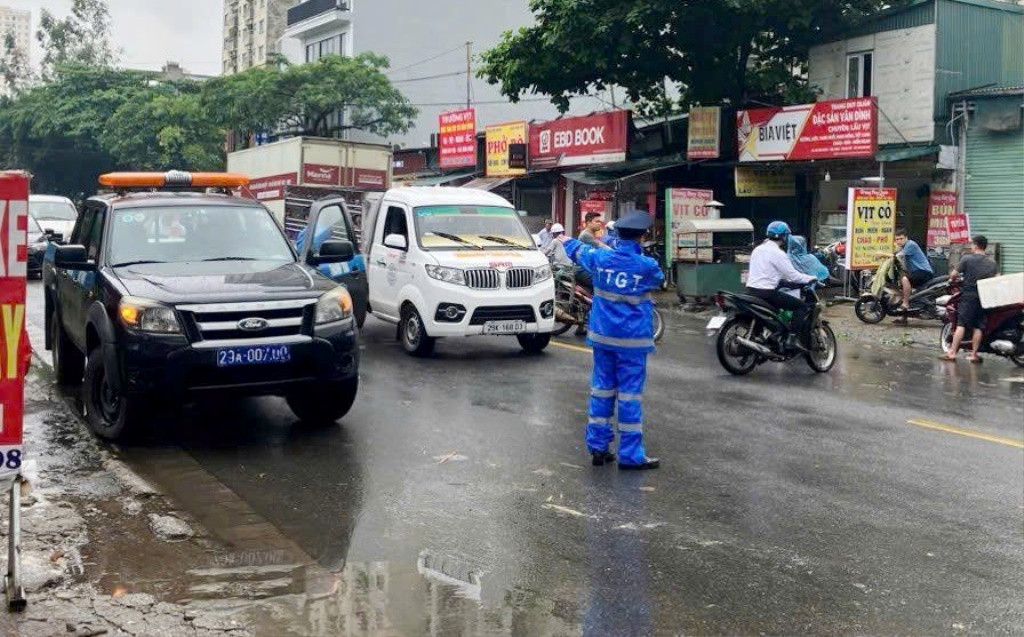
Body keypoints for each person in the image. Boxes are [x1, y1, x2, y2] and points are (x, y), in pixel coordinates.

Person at [560, 211, 665, 470]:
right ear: (642, 236)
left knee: (601, 391)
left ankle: (598, 447)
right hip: (632, 343)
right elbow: (659, 281)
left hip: (603, 339)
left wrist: (565, 239)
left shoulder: (600, 258)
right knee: (629, 397)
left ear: (616, 234)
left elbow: (576, 250)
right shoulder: (647, 265)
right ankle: (630, 454)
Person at [745, 221, 819, 350]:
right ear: (784, 236)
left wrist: (783, 281)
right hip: (767, 293)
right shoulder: (778, 253)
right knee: (801, 306)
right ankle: (792, 339)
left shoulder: (757, 250)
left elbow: (767, 272)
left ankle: (774, 335)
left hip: (750, 291)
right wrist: (811, 278)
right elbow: (794, 276)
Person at [943, 235, 998, 363]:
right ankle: (974, 354)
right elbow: (997, 279)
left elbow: (954, 274)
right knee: (978, 326)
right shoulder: (992, 263)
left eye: (972, 244)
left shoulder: (967, 259)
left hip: (969, 295)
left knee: (961, 324)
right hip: (984, 297)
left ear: (976, 245)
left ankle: (952, 353)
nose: (971, 246)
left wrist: (952, 279)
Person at [892, 228, 934, 324]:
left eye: (901, 239)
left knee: (905, 279)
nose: (899, 241)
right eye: (897, 239)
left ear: (906, 238)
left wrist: (882, 254)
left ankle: (906, 303)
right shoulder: (902, 247)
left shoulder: (910, 245)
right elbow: (896, 254)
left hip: (924, 272)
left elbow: (898, 256)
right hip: (916, 272)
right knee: (903, 290)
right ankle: (904, 317)